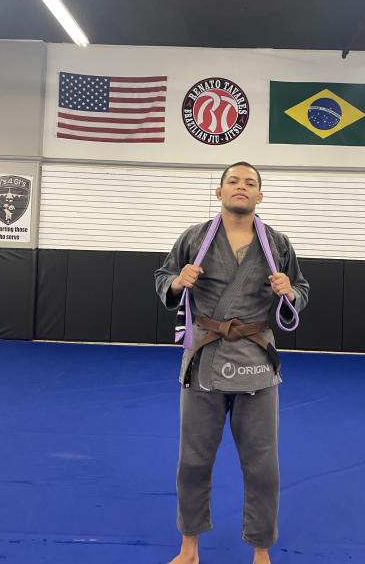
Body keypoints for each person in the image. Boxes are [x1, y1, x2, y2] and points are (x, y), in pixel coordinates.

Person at [155, 162, 309, 564]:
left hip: (256, 362)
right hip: (204, 359)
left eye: (250, 183)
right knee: (193, 461)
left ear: (260, 195)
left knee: (262, 465)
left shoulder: (277, 243)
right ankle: (189, 548)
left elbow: (301, 288)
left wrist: (291, 291)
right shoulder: (195, 238)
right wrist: (177, 282)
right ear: (219, 192)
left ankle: (261, 550)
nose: (242, 187)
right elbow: (164, 276)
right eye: (234, 181)